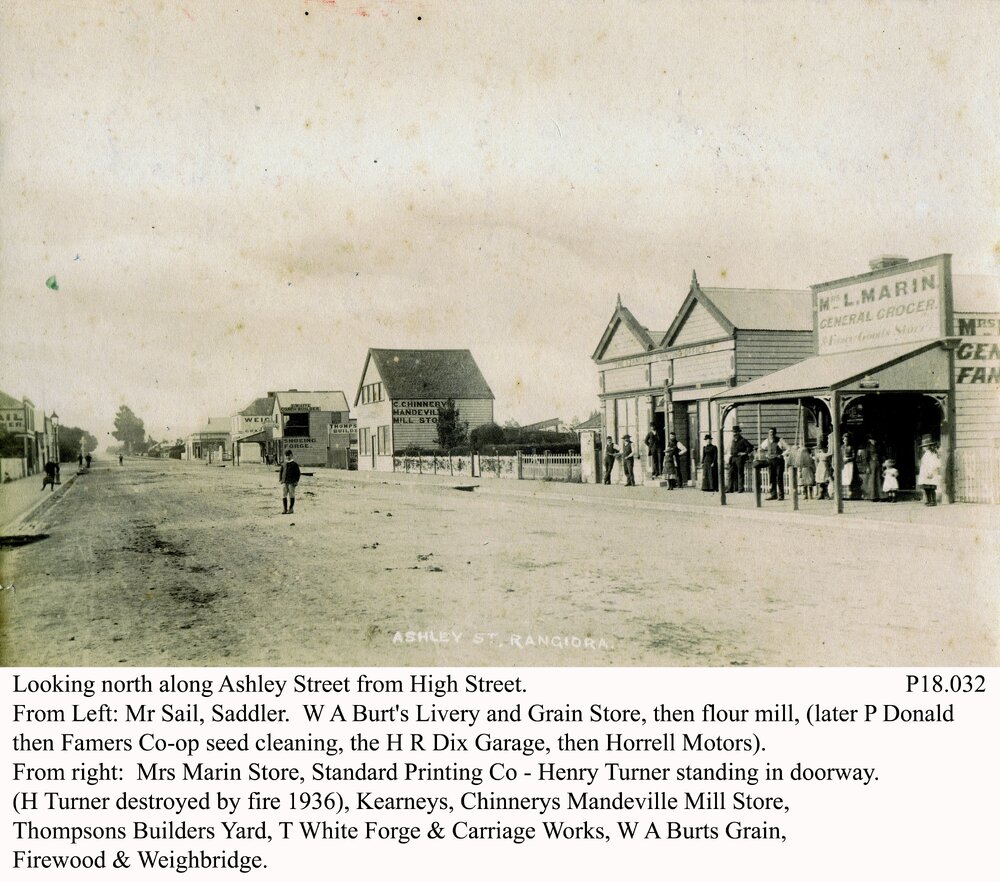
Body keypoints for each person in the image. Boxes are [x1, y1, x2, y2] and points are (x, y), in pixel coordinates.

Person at [760, 427, 788, 500]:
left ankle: (781, 495)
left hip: (778, 461)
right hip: (770, 461)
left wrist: (782, 455)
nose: (771, 434)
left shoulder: (779, 440)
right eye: (770, 433)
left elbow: (788, 449)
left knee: (779, 478)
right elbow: (761, 448)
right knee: (772, 478)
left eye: (772, 432)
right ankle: (773, 495)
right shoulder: (767, 441)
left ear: (775, 433)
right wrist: (765, 455)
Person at [727, 425, 754, 493]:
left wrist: (744, 453)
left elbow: (751, 447)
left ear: (739, 432)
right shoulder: (732, 441)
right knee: (730, 473)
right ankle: (730, 488)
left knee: (740, 473)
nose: (734, 433)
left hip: (739, 458)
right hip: (733, 458)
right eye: (733, 432)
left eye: (736, 432)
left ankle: (740, 489)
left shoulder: (743, 440)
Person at [917, 436, 942, 506]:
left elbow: (934, 464)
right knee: (926, 488)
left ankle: (933, 501)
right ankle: (928, 500)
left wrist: (930, 472)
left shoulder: (932, 454)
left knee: (931, 488)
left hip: (930, 473)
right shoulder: (926, 454)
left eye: (926, 446)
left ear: (929, 446)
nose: (924, 447)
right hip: (925, 473)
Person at [858, 434, 881, 501]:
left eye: (874, 440)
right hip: (871, 464)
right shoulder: (868, 448)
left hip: (877, 463)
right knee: (872, 480)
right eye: (872, 440)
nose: (874, 441)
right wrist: (867, 467)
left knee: (878, 480)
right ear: (869, 440)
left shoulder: (877, 447)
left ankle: (879, 496)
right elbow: (865, 458)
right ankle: (872, 496)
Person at [279, 449, 301, 513]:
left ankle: (291, 509)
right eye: (286, 456)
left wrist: (296, 481)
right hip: (284, 482)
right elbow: (281, 472)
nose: (287, 457)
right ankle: (285, 509)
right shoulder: (283, 464)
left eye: (289, 455)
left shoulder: (295, 464)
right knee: (284, 495)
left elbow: (298, 473)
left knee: (291, 495)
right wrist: (280, 479)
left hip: (292, 482)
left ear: (291, 455)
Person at [841, 433, 860, 500]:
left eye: (847, 439)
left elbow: (854, 456)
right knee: (843, 478)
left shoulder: (851, 447)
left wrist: (848, 459)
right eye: (844, 439)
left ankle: (850, 495)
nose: (845, 441)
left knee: (849, 477)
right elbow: (840, 455)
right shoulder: (842, 447)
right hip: (843, 463)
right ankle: (843, 495)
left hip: (849, 464)